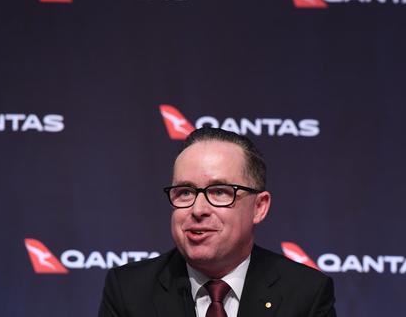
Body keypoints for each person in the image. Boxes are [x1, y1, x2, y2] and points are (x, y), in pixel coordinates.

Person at [98, 127, 336, 317]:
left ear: (259, 207)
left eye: (220, 192)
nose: (198, 209)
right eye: (185, 192)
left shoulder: (306, 293)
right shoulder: (129, 290)